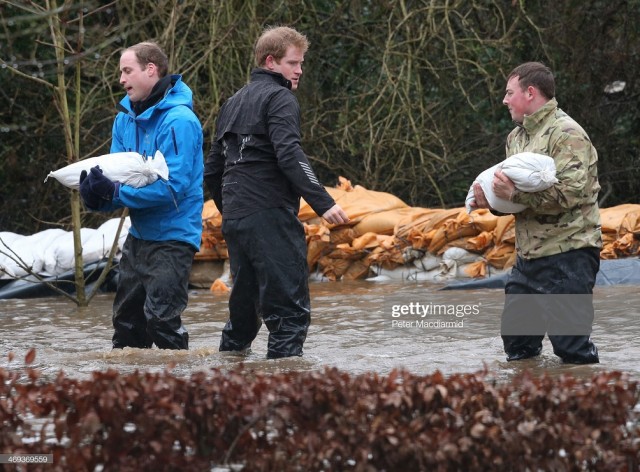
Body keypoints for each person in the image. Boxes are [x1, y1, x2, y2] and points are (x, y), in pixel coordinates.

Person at [204, 26, 349, 359]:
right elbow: (289, 154)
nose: (299, 71)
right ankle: (286, 393)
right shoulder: (280, 98)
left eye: (301, 63)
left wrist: (232, 211)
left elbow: (213, 169)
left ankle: (226, 380)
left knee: (242, 315)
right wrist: (324, 203)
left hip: (237, 219)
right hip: (270, 214)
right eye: (293, 63)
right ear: (271, 62)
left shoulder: (232, 102)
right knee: (289, 313)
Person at [471, 61, 601, 364]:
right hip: (528, 258)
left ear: (530, 92)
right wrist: (490, 200)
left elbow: (571, 194)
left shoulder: (567, 133)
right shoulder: (515, 139)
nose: (504, 100)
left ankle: (590, 404)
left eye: (509, 92)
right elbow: (516, 202)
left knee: (571, 347)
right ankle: (528, 406)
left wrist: (514, 194)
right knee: (517, 346)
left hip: (570, 253)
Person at [79, 41, 204, 350]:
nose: (121, 79)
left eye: (127, 71)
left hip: (174, 238)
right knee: (126, 326)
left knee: (161, 321)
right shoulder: (124, 120)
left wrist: (116, 192)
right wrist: (99, 198)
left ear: (151, 70)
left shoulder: (180, 122)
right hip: (139, 237)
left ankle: (183, 387)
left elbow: (172, 189)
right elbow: (118, 178)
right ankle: (131, 393)